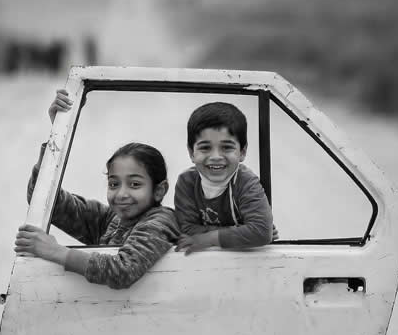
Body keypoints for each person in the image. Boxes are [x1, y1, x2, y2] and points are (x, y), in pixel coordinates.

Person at [16, 90, 179, 289]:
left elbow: (123, 270)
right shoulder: (111, 220)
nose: (121, 194)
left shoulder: (161, 222)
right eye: (113, 184)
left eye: (135, 184)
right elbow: (45, 200)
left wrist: (56, 251)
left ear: (159, 190)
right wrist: (58, 129)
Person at [174, 101, 275, 255]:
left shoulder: (246, 183)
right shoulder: (186, 182)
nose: (215, 157)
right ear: (191, 153)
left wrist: (208, 238)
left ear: (242, 152)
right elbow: (187, 229)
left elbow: (261, 232)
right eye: (205, 148)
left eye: (227, 147)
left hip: (246, 262)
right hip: (201, 261)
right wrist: (242, 232)